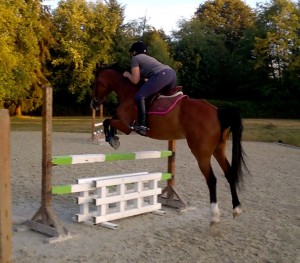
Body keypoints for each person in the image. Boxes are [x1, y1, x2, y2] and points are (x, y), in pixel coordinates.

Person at [123, 41, 177, 133]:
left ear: (134, 52)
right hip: (172, 75)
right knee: (155, 97)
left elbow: (135, 80)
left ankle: (142, 125)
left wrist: (127, 74)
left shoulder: (135, 58)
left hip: (162, 75)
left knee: (139, 96)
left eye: (131, 52)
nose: (131, 54)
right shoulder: (149, 59)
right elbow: (148, 78)